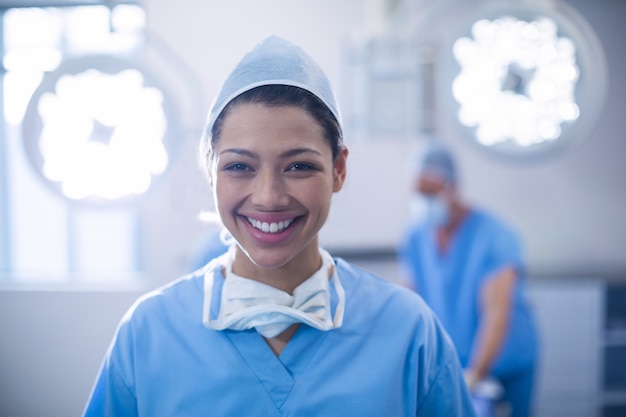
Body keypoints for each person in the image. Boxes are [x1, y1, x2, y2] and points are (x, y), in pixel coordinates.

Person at [82, 36, 477, 417]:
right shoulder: (149, 332)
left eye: (299, 166)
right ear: (209, 170)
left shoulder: (408, 331)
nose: (268, 197)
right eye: (239, 166)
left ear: (338, 170)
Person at [398, 142, 539, 417]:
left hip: (507, 361)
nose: (424, 200)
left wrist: (474, 374)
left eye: (432, 192)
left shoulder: (494, 235)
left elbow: (496, 314)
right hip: (454, 361)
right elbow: (409, 305)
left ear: (453, 188)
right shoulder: (415, 236)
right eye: (418, 192)